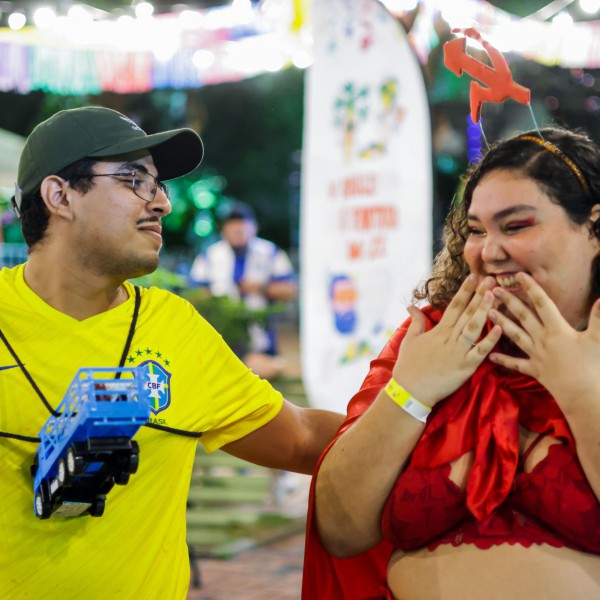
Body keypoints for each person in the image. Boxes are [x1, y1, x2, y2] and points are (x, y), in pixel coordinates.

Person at [0, 106, 343, 599]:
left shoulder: (174, 327)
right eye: (134, 179)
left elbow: (303, 438)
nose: (161, 202)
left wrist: (427, 413)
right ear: (60, 195)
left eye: (158, 185)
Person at [303, 126, 600, 599]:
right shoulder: (431, 337)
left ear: (594, 229)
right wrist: (411, 391)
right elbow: (340, 531)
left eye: (516, 226)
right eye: (477, 230)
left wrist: (582, 392)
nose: (488, 251)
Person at [189, 202, 297, 379]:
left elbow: (289, 291)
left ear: (253, 228)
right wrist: (217, 300)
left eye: (242, 229)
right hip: (220, 331)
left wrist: (261, 288)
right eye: (234, 229)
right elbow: (194, 294)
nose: (238, 233)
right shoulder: (211, 254)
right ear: (224, 230)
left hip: (260, 335)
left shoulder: (270, 252)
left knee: (263, 375)